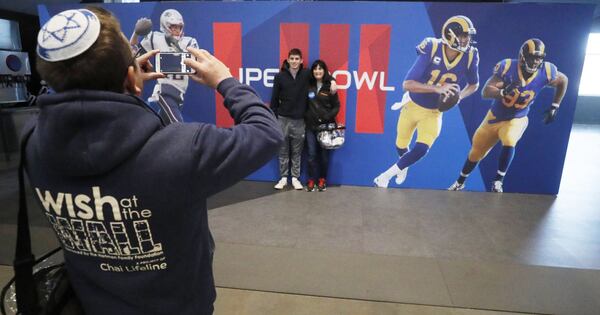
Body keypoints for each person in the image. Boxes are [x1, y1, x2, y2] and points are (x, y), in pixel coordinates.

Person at [29, 7, 282, 314]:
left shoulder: (34, 147)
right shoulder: (182, 150)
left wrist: (126, 87)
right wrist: (225, 81)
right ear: (131, 76)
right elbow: (267, 132)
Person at [448, 38, 568, 192]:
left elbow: (563, 80)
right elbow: (486, 92)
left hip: (518, 117)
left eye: (539, 58)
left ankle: (498, 181)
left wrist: (555, 105)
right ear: (523, 56)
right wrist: (503, 91)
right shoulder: (508, 67)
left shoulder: (547, 71)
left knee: (509, 139)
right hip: (494, 118)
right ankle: (460, 182)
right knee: (476, 152)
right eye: (533, 57)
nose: (536, 62)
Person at [373, 15, 480, 188]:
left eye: (468, 36)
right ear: (451, 35)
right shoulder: (432, 47)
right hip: (412, 104)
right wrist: (437, 89)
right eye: (464, 36)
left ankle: (384, 177)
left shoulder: (470, 56)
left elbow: (474, 85)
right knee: (401, 145)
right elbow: (407, 84)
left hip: (434, 112)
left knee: (422, 148)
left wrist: (459, 96)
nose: (467, 40)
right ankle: (403, 167)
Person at [130, 9, 199, 123]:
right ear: (165, 26)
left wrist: (176, 48)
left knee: (162, 125)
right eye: (173, 27)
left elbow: (193, 66)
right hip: (164, 91)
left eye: (179, 27)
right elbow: (133, 55)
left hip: (179, 93)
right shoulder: (155, 38)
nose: (177, 30)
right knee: (177, 125)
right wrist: (135, 34)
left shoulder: (189, 42)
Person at [270, 48, 310, 190]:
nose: (294, 61)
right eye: (292, 59)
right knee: (283, 151)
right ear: (288, 60)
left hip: (299, 120)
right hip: (282, 119)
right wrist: (275, 119)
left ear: (301, 61)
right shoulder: (280, 77)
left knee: (297, 152)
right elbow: (274, 100)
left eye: (297, 59)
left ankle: (295, 178)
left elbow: (322, 75)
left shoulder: (306, 74)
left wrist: (333, 81)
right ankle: (283, 178)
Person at [304, 60, 340, 192]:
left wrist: (326, 117)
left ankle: (322, 179)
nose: (317, 71)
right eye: (315, 69)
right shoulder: (308, 84)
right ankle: (311, 179)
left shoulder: (330, 86)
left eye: (320, 69)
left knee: (324, 157)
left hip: (326, 128)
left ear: (324, 71)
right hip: (310, 127)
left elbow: (337, 106)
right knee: (312, 155)